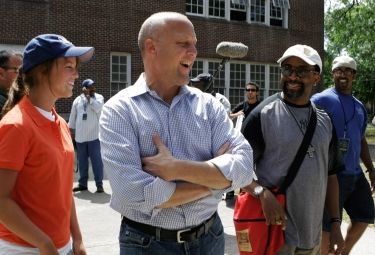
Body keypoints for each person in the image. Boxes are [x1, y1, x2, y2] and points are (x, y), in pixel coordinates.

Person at [99, 12, 254, 255]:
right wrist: (216, 181)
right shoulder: (120, 111)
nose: (193, 52)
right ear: (152, 47)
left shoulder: (209, 106)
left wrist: (176, 169)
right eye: (183, 44)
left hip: (209, 238)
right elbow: (133, 194)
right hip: (148, 244)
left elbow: (245, 167)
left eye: (194, 44)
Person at [240, 44, 344, 255]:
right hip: (275, 235)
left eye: (302, 71)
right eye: (288, 69)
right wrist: (260, 192)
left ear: (316, 77)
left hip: (311, 235)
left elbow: (331, 174)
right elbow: (235, 169)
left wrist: (335, 222)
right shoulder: (262, 115)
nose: (293, 76)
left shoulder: (325, 121)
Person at [0, 34, 94, 255]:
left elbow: (63, 190)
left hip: (60, 247)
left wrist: (77, 239)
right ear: (42, 70)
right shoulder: (15, 126)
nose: (77, 74)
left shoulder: (59, 122)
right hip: (23, 249)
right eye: (69, 66)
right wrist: (44, 243)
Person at [311, 55, 375, 255]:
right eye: (339, 70)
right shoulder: (321, 99)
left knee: (365, 216)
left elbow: (361, 138)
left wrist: (371, 169)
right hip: (331, 176)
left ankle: (343, 252)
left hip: (355, 175)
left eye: (348, 70)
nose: (343, 74)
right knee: (327, 229)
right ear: (333, 74)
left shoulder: (359, 106)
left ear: (354, 75)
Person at [69, 78, 105, 193]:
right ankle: (82, 184)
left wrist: (89, 98)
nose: (92, 88)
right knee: (82, 162)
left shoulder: (99, 98)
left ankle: (99, 184)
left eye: (93, 86)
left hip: (94, 136)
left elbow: (98, 108)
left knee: (97, 162)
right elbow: (72, 116)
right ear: (84, 88)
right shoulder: (77, 100)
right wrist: (71, 131)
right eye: (90, 86)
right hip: (80, 137)